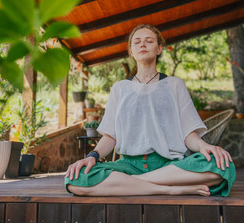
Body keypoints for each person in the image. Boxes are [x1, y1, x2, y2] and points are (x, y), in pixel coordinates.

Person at [65, 24, 236, 197]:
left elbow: (188, 133)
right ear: (131, 51)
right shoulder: (120, 88)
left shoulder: (175, 85)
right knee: (75, 179)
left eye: (149, 41)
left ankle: (133, 184)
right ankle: (169, 189)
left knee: (223, 166)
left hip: (170, 167)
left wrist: (205, 146)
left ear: (159, 48)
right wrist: (92, 156)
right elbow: (110, 136)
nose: (142, 44)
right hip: (128, 166)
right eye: (137, 42)